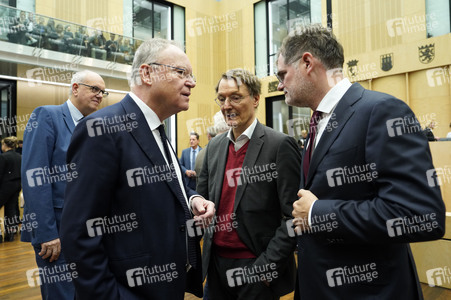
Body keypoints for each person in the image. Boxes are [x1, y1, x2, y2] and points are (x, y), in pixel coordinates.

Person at [275, 25, 446, 299]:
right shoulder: (317, 123)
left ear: (307, 62)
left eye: (282, 74)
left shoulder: (383, 111)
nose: (280, 85)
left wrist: (318, 213)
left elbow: (420, 216)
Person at [60, 38, 215, 300]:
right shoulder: (101, 130)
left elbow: (164, 185)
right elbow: (79, 233)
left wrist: (193, 198)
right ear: (146, 73)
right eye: (181, 73)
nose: (192, 82)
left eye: (192, 75)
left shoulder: (157, 129)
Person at [197, 68, 301, 300]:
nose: (227, 105)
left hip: (255, 265)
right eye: (222, 99)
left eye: (235, 97)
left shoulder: (279, 145)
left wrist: (266, 267)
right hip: (215, 267)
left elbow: (293, 216)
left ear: (255, 99)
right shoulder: (214, 148)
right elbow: (202, 201)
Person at [21, 70, 107, 300]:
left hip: (87, 233)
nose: (100, 95)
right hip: (55, 232)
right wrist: (46, 233)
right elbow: (34, 177)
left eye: (103, 91)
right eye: (94, 89)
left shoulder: (94, 126)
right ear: (75, 88)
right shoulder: (47, 116)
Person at [0, 136, 21, 242]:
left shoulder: (3, 157)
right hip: (17, 185)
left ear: (5, 145)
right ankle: (10, 234)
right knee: (11, 209)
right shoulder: (19, 156)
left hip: (5, 186)